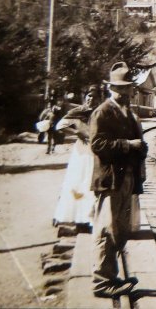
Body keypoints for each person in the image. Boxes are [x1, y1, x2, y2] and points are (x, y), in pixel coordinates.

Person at [88, 62, 147, 298]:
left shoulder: (129, 114)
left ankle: (112, 276)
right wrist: (128, 145)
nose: (124, 93)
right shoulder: (102, 112)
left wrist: (141, 148)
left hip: (126, 179)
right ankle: (102, 282)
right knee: (106, 230)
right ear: (111, 88)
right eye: (119, 89)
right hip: (110, 180)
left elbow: (136, 143)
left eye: (127, 89)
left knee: (120, 230)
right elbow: (97, 144)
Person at [53, 85, 100, 228]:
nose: (91, 99)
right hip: (81, 151)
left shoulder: (100, 112)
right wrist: (76, 133)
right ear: (85, 97)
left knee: (91, 182)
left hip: (95, 150)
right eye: (88, 96)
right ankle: (74, 216)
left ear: (98, 99)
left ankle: (89, 217)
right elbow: (59, 126)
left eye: (94, 96)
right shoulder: (77, 112)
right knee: (77, 181)